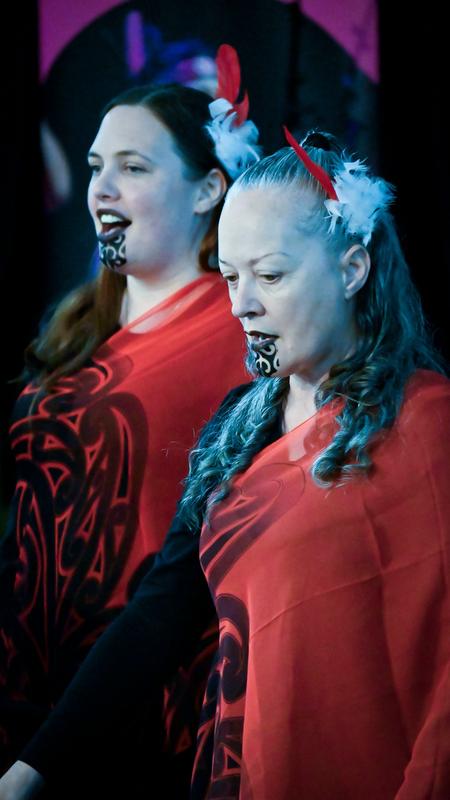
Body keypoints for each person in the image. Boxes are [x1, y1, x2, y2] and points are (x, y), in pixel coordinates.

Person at [2, 128, 449, 800]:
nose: (242, 305)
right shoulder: (239, 426)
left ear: (352, 269)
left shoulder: (424, 424)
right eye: (232, 276)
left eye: (269, 275)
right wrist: (31, 769)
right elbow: (163, 612)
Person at [0, 48, 262, 798]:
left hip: (148, 713)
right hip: (28, 696)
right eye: (92, 166)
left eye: (134, 168)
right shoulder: (77, 327)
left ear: (209, 188)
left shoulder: (244, 332)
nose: (101, 189)